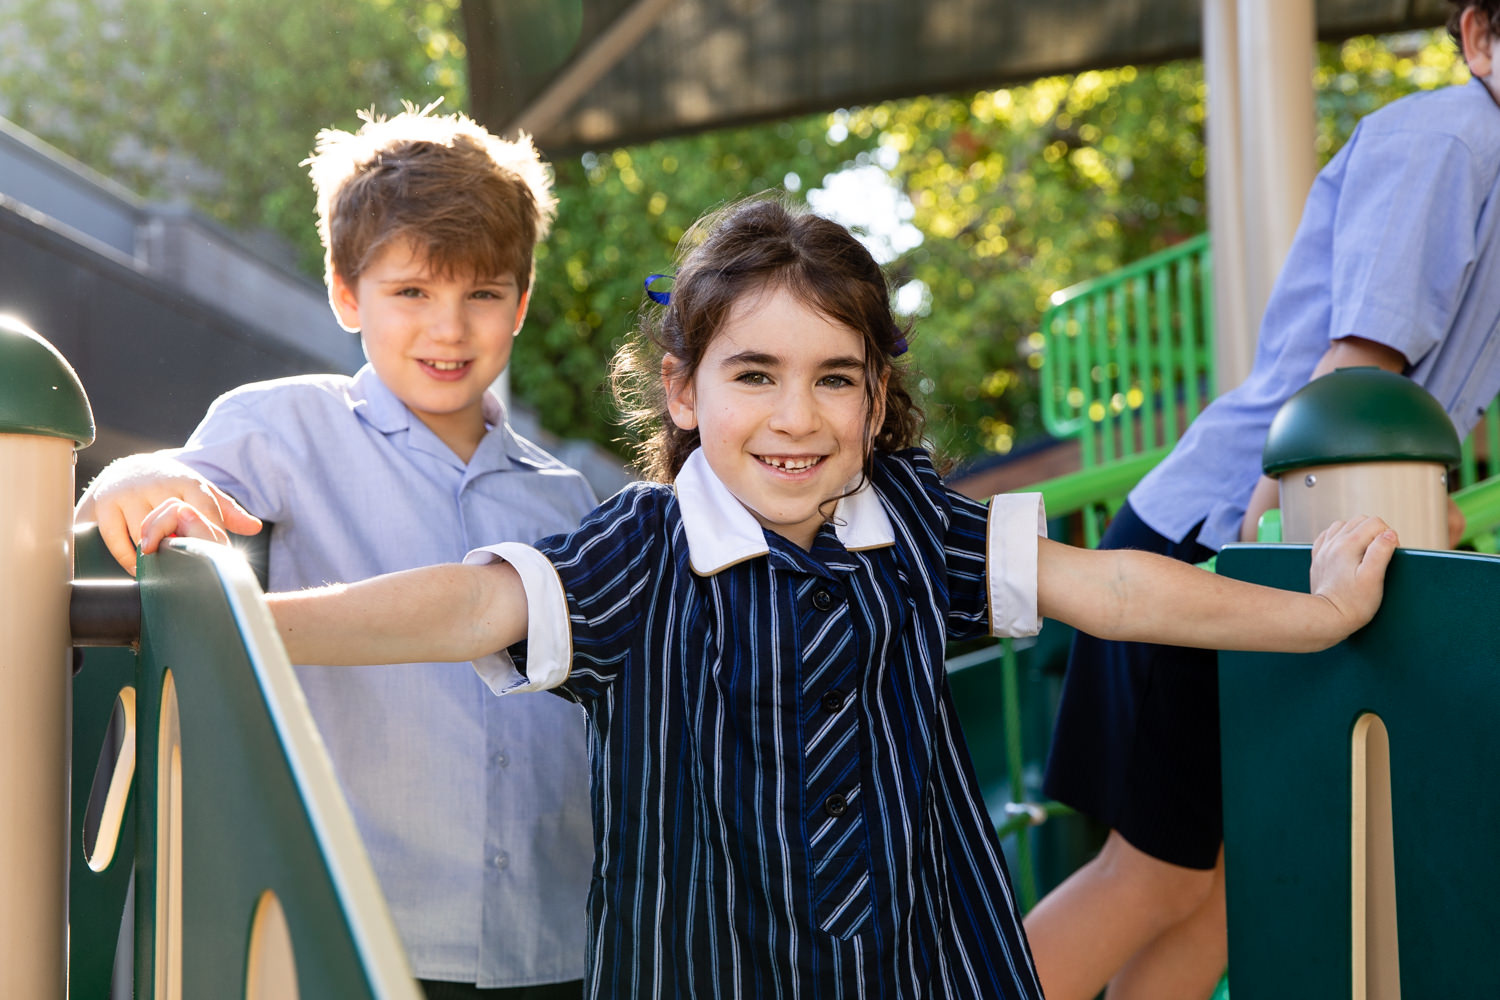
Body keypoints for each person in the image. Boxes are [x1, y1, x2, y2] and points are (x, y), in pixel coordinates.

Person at [141, 196, 1396, 999]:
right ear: (685, 392)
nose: (797, 418)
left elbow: (1116, 589)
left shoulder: (911, 530)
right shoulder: (636, 552)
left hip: (930, 971)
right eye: (755, 374)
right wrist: (253, 625)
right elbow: (462, 608)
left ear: (873, 398)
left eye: (834, 379)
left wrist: (1314, 615)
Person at [1024, 4, 1500, 998]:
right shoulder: (1454, 138)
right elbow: (1351, 375)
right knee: (1155, 876)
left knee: (1226, 889)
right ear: (1480, 38)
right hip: (1225, 536)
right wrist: (1272, 556)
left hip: (1301, 536)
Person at [74, 103, 597, 999]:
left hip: (548, 939)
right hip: (362, 919)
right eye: (412, 293)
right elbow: (184, 486)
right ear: (347, 293)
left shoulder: (567, 498)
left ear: (521, 297)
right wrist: (130, 481)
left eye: (483, 293)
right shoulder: (286, 424)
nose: (449, 328)